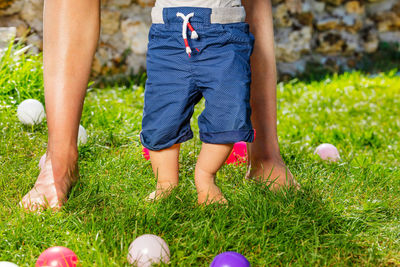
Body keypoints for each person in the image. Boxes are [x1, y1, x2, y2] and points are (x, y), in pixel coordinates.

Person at [20, 0, 299, 211]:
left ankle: (253, 159)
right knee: (162, 119)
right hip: (170, 32)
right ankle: (60, 162)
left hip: (226, 29)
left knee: (228, 115)